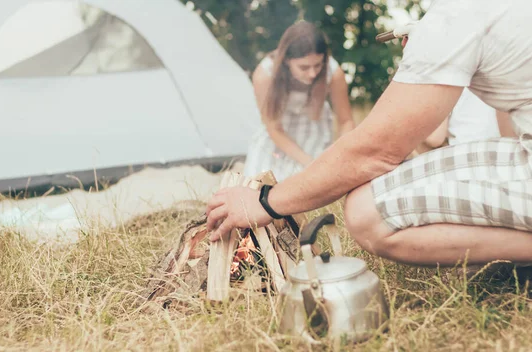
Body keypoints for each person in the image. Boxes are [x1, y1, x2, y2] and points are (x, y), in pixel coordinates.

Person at [206, 0, 532, 269]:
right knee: (369, 192)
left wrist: (267, 201)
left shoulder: (453, 19)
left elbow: (374, 152)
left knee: (365, 212)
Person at [242, 21, 355, 182]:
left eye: (318, 65)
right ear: (287, 60)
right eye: (304, 67)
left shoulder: (333, 72)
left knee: (314, 185)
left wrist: (339, 154)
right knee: (260, 185)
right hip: (278, 138)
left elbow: (346, 121)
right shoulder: (264, 74)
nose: (312, 73)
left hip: (316, 132)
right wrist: (309, 162)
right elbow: (273, 128)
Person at [416, 87, 516, 154]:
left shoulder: (449, 82)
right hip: (502, 152)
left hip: (464, 154)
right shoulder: (501, 75)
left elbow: (435, 139)